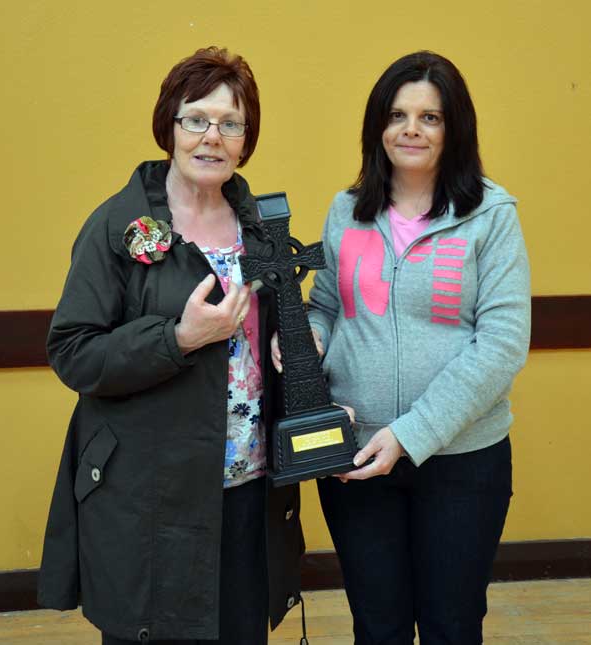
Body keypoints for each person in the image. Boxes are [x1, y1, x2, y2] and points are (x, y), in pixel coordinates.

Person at [37, 46, 304, 645]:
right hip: (150, 500)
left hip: (246, 483)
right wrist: (178, 338)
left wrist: (292, 339)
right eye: (196, 119)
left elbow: (270, 336)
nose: (212, 137)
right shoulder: (117, 225)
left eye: (230, 123)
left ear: (246, 138)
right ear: (169, 127)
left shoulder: (260, 227)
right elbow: (74, 352)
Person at [306, 51, 531, 644]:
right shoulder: (345, 212)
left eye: (430, 117)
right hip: (355, 458)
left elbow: (504, 343)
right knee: (376, 627)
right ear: (377, 127)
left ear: (454, 128)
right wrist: (310, 336)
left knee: (451, 626)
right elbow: (324, 305)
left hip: (464, 463)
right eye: (398, 115)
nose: (411, 129)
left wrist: (412, 434)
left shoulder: (492, 215)